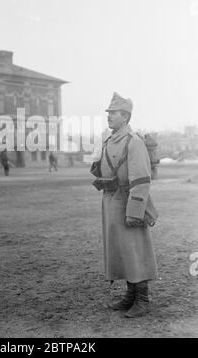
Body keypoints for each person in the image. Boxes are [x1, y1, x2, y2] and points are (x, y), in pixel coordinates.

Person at [90, 92, 158, 318]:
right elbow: (102, 169)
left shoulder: (134, 141)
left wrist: (135, 211)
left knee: (134, 250)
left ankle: (142, 299)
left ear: (125, 116)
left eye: (113, 113)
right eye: (108, 113)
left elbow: (141, 179)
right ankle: (130, 296)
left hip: (127, 201)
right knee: (121, 250)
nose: (108, 116)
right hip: (111, 199)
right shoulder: (110, 140)